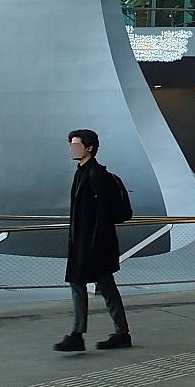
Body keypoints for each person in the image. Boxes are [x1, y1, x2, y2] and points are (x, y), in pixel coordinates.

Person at [54, 129, 131, 352]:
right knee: (93, 285)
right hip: (84, 242)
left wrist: (94, 243)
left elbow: (105, 213)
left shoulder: (97, 175)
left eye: (76, 145)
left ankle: (85, 334)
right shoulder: (82, 173)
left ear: (89, 148)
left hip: (95, 244)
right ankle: (108, 333)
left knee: (98, 286)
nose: (72, 149)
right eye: (71, 145)